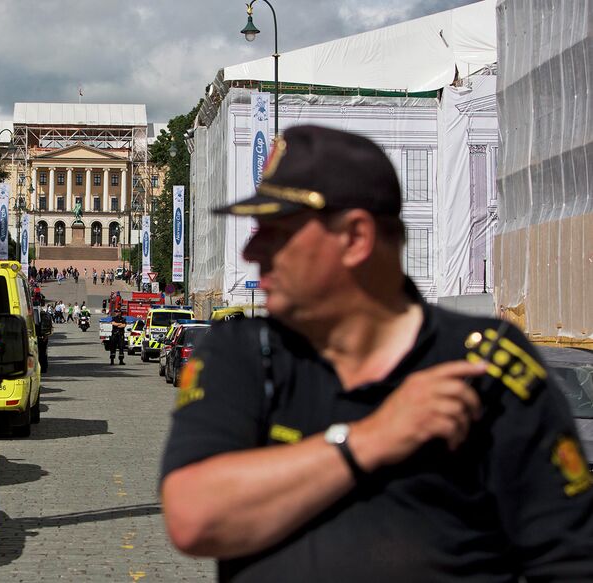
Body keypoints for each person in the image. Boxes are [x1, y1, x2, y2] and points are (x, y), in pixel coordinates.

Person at [160, 125, 593, 581]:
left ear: (355, 238)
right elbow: (193, 518)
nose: (252, 250)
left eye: (276, 232)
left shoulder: (484, 366)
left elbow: (569, 560)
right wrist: (371, 439)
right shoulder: (242, 352)